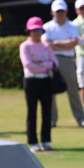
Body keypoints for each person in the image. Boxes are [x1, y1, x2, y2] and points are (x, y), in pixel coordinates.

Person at [43, 0, 84, 127]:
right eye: (57, 11)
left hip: (67, 60)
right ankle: (51, 119)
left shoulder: (72, 26)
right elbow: (47, 45)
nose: (60, 13)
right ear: (52, 12)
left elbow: (72, 44)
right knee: (49, 90)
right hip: (51, 60)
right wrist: (64, 44)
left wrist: (55, 43)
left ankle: (80, 118)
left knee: (73, 89)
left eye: (62, 10)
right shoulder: (47, 26)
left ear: (66, 11)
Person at [20, 17, 58, 152]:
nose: (37, 32)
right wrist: (44, 65)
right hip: (31, 80)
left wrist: (40, 64)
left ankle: (46, 141)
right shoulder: (25, 46)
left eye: (39, 29)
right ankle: (33, 142)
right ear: (28, 31)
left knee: (47, 112)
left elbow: (54, 63)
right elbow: (28, 65)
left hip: (45, 80)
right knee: (32, 112)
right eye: (34, 30)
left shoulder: (46, 46)